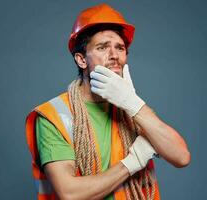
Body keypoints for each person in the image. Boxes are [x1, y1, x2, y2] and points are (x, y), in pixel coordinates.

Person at [25, 3, 190, 200]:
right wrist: (132, 162)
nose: (114, 56)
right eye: (102, 47)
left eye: (120, 48)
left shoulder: (132, 111)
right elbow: (70, 194)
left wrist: (132, 102)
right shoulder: (55, 115)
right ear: (81, 60)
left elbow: (181, 157)